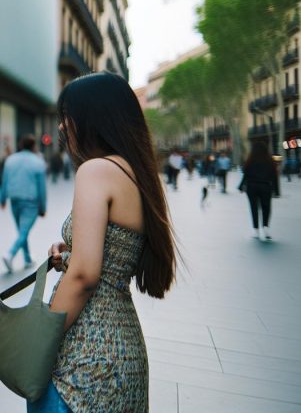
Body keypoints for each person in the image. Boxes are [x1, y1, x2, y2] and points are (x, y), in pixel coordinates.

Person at [35, 72, 177, 413]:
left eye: (68, 116)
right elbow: (113, 252)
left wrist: (39, 341)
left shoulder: (95, 170)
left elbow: (84, 276)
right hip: (124, 354)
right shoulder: (134, 172)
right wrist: (69, 252)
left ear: (94, 117)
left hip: (82, 361)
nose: (62, 127)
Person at [0, 134, 47, 272]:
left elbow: (4, 180)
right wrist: (42, 207)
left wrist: (2, 199)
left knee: (22, 231)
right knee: (24, 231)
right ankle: (10, 254)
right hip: (31, 202)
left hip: (14, 199)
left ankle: (27, 259)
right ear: (33, 146)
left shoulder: (10, 160)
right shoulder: (38, 162)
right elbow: (42, 188)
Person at [238, 142, 280, 241]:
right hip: (265, 186)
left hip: (251, 187)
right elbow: (274, 177)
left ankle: (256, 231)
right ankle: (265, 229)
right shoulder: (270, 161)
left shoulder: (250, 161)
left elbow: (245, 175)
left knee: (254, 208)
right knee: (266, 207)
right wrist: (276, 191)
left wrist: (241, 186)